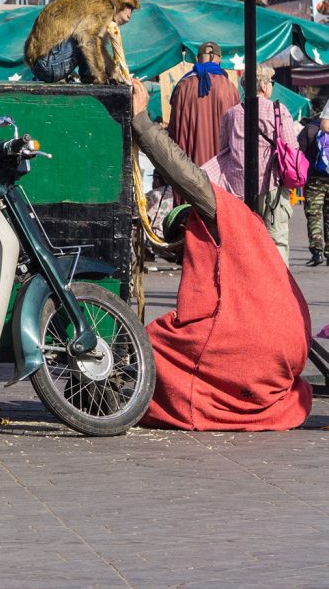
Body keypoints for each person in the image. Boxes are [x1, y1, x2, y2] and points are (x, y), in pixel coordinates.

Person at [132, 77, 312, 432]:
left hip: (260, 344)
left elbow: (188, 176)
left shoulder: (220, 213)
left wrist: (142, 122)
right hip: (291, 347)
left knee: (156, 341)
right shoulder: (248, 222)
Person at [201, 65, 299, 265]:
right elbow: (292, 148)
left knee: (243, 242)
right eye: (271, 82)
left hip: (238, 189)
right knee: (276, 240)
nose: (271, 86)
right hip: (272, 186)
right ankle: (277, 291)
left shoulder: (232, 114)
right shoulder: (278, 110)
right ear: (263, 85)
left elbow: (224, 149)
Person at [24, 0, 139, 83]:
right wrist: (100, 75)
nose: (129, 14)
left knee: (94, 41)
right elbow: (86, 38)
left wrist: (116, 74)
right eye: (127, 6)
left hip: (42, 63)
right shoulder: (105, 5)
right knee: (87, 37)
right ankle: (93, 75)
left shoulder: (91, 0)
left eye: (132, 10)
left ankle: (89, 76)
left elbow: (100, 48)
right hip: (47, 64)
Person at [167, 41, 240, 168]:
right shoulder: (231, 89)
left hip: (189, 173)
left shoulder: (182, 87)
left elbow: (173, 133)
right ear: (219, 59)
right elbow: (238, 134)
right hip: (221, 173)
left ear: (197, 59)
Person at [298, 99, 329, 266]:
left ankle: (316, 252)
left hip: (314, 180)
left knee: (314, 215)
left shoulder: (310, 128)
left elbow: (298, 153)